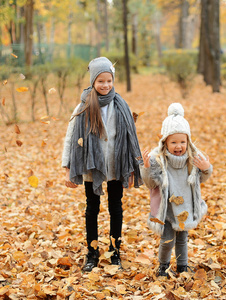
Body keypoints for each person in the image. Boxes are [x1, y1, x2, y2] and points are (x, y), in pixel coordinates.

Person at [62, 57, 143, 272]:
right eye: (100, 81)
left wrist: (134, 166)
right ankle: (92, 252)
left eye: (109, 80)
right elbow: (70, 137)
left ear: (113, 80)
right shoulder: (83, 105)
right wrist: (67, 168)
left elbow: (131, 136)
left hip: (116, 164)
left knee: (116, 207)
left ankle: (115, 251)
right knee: (92, 208)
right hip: (91, 165)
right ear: (93, 82)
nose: (105, 85)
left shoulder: (121, 105)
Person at [140, 103, 212, 277]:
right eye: (173, 142)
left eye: (182, 141)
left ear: (188, 141)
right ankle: (163, 266)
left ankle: (182, 266)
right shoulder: (159, 159)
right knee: (166, 241)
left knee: (182, 240)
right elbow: (150, 183)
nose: (178, 146)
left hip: (185, 207)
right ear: (165, 142)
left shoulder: (193, 159)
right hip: (167, 210)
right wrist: (147, 166)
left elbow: (201, 178)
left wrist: (206, 168)